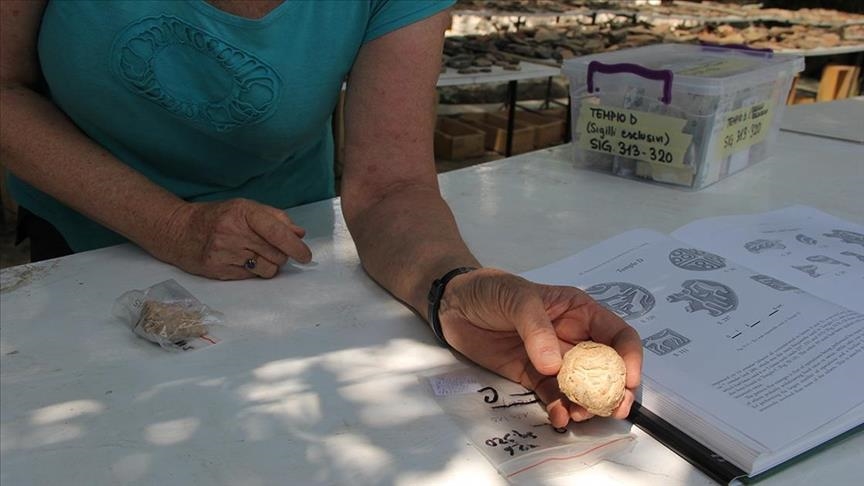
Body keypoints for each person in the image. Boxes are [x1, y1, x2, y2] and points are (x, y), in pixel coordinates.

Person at [0, 0, 642, 429]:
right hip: (84, 240)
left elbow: (390, 183)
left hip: (284, 257)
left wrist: (453, 289)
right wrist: (169, 225)